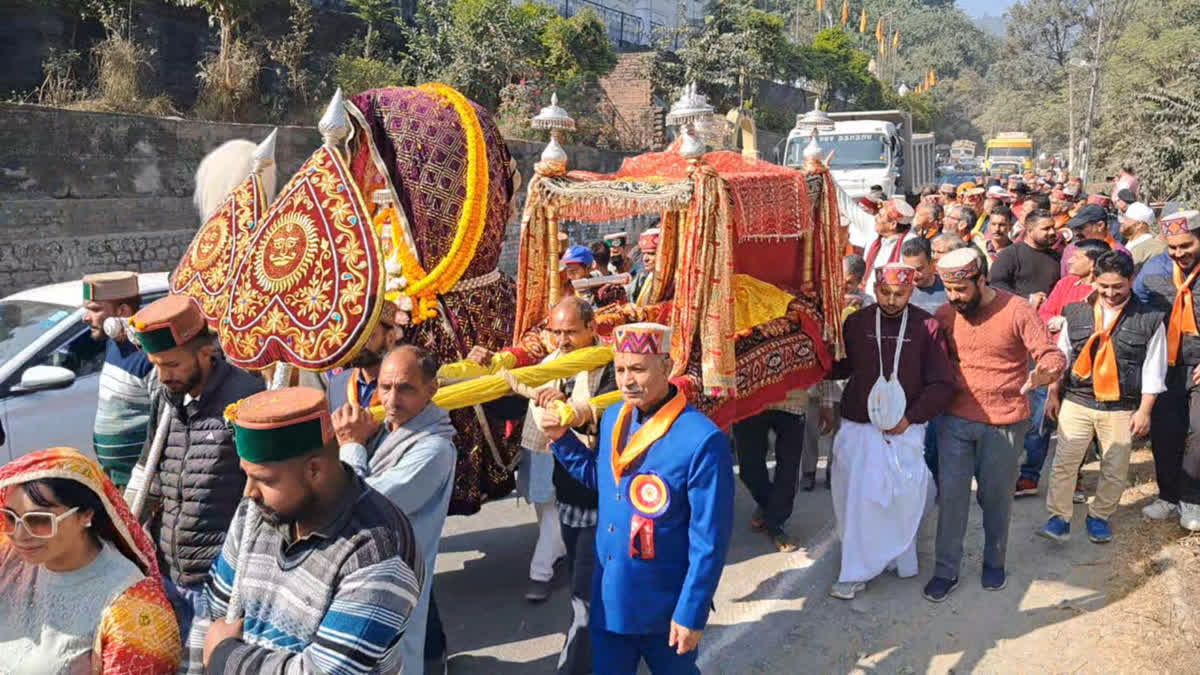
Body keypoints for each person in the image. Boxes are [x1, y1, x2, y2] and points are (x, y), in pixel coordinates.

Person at [544, 322, 733, 673]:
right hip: (609, 599)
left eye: (638, 369)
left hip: (665, 607)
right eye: (619, 369)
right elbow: (604, 484)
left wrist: (692, 612)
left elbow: (710, 540)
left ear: (666, 365)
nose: (627, 380)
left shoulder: (702, 440)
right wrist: (561, 439)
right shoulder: (615, 415)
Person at [202, 387, 424, 673]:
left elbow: (321, 671)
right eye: (247, 475)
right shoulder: (257, 511)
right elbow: (218, 611)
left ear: (314, 471)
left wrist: (226, 657)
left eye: (264, 480)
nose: (249, 493)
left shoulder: (378, 555)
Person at [125, 294, 265, 674]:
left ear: (206, 354)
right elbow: (148, 473)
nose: (163, 374)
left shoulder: (246, 399)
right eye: (156, 366)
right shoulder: (168, 395)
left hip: (220, 580)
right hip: (170, 573)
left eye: (171, 364)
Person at [926, 248, 1066, 601]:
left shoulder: (1017, 310)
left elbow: (1048, 352)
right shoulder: (945, 315)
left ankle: (994, 563)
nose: (954, 298)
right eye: (948, 290)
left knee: (996, 499)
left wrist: (1047, 371)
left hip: (1005, 424)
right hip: (954, 421)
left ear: (981, 279)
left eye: (961, 290)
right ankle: (946, 570)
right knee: (953, 499)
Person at [826, 264, 955, 600]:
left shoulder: (926, 326)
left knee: (904, 497)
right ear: (875, 288)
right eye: (885, 293)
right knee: (859, 501)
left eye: (900, 294)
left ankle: (898, 555)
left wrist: (910, 419)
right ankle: (855, 570)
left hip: (904, 430)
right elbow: (839, 366)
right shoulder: (857, 322)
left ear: (911, 291)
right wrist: (815, 340)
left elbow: (942, 383)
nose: (892, 300)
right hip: (859, 427)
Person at [0, 448, 181, 674]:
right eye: (9, 517)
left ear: (86, 515)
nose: (19, 535)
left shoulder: (135, 609)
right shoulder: (8, 557)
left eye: (39, 520)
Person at [332, 346, 456, 675]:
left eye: (405, 388)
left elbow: (365, 505)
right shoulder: (391, 430)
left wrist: (351, 446)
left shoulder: (434, 448)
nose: (391, 400)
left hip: (396, 590)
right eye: (385, 387)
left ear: (432, 390)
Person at [1039, 252, 1166, 543]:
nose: (1110, 293)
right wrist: (1052, 394)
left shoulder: (1149, 319)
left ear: (1131, 281)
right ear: (1094, 280)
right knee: (1065, 463)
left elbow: (1153, 369)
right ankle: (1059, 517)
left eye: (1118, 287)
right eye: (1103, 286)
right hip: (1078, 399)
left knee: (1115, 466)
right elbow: (1063, 357)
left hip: (1121, 406)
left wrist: (1144, 411)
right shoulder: (1075, 312)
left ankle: (1099, 516)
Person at [1015, 239, 1113, 499]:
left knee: (1078, 429)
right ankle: (1029, 477)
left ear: (1092, 263)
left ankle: (1075, 480)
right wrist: (1058, 321)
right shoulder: (1065, 284)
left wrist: (1071, 321)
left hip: (1089, 369)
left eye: (1076, 257)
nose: (1070, 261)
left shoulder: (1107, 290)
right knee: (1040, 422)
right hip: (1053, 362)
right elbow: (1045, 315)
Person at [1133, 209, 1200, 531]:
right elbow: (1135, 306)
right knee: (1165, 433)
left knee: (1198, 433)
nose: (1178, 254)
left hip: (1199, 366)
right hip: (1165, 365)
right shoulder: (1155, 268)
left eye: (1186, 246)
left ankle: (1192, 499)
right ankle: (1168, 495)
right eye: (1172, 247)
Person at [82, 271, 154, 490]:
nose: (86, 317)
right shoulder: (112, 343)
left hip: (140, 484)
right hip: (114, 479)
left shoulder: (149, 356)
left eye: (95, 309)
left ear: (122, 311)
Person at [327, 302, 402, 414]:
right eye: (351, 335)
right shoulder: (337, 385)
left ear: (390, 338)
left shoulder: (406, 380)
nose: (356, 343)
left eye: (365, 334)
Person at [989, 209, 1062, 305]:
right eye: (1046, 228)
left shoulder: (1056, 257)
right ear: (1029, 231)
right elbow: (997, 286)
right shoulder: (1010, 255)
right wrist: (1028, 298)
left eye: (1053, 227)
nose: (1052, 232)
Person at [862, 198, 919, 298]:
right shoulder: (875, 237)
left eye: (880, 216)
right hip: (867, 299)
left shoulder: (910, 244)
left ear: (893, 224)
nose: (875, 218)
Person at [1060, 204, 1131, 278]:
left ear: (1100, 225)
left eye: (1080, 228)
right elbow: (1064, 280)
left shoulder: (1120, 253)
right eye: (1075, 229)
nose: (1076, 233)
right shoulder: (1071, 249)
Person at [901, 237, 947, 314]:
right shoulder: (899, 290)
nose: (914, 275)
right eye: (909, 270)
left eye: (919, 269)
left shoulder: (949, 289)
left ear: (932, 263)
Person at [1120, 202, 1166, 271]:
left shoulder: (1152, 247)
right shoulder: (1131, 242)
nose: (1123, 222)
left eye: (1127, 219)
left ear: (1138, 224)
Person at [630, 229, 661, 305]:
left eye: (651, 253)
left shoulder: (672, 281)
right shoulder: (648, 276)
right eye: (644, 254)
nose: (645, 259)